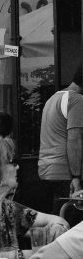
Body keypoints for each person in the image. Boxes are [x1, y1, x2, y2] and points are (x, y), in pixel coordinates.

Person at [38, 67, 83, 212]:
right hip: (66, 174)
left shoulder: (53, 98)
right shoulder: (76, 99)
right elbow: (74, 140)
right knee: (70, 221)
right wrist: (76, 177)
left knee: (56, 219)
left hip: (46, 171)